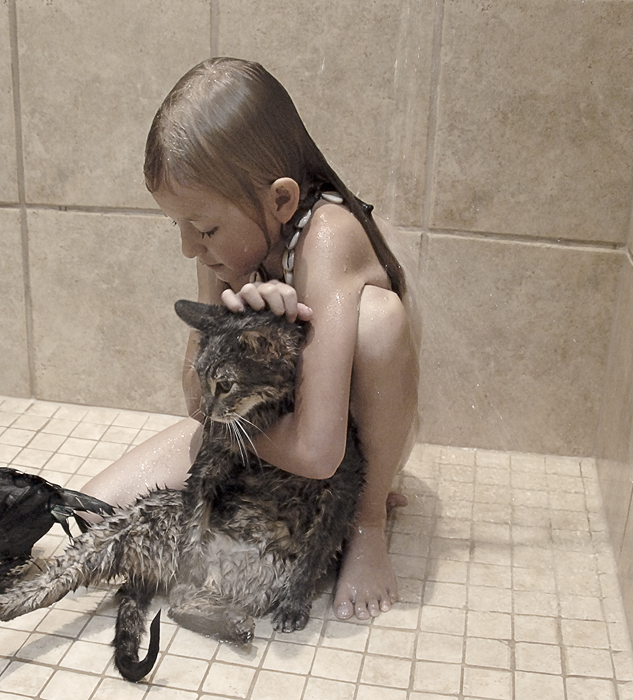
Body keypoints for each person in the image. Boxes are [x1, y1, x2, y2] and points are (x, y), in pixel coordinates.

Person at [82, 57, 421, 621]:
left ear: (282, 201)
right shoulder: (224, 253)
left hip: (349, 446)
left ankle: (369, 522)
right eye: (179, 227)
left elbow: (318, 452)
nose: (189, 248)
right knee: (88, 515)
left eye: (205, 228)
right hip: (257, 435)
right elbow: (195, 404)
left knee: (379, 320)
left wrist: (224, 430)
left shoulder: (328, 238)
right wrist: (226, 330)